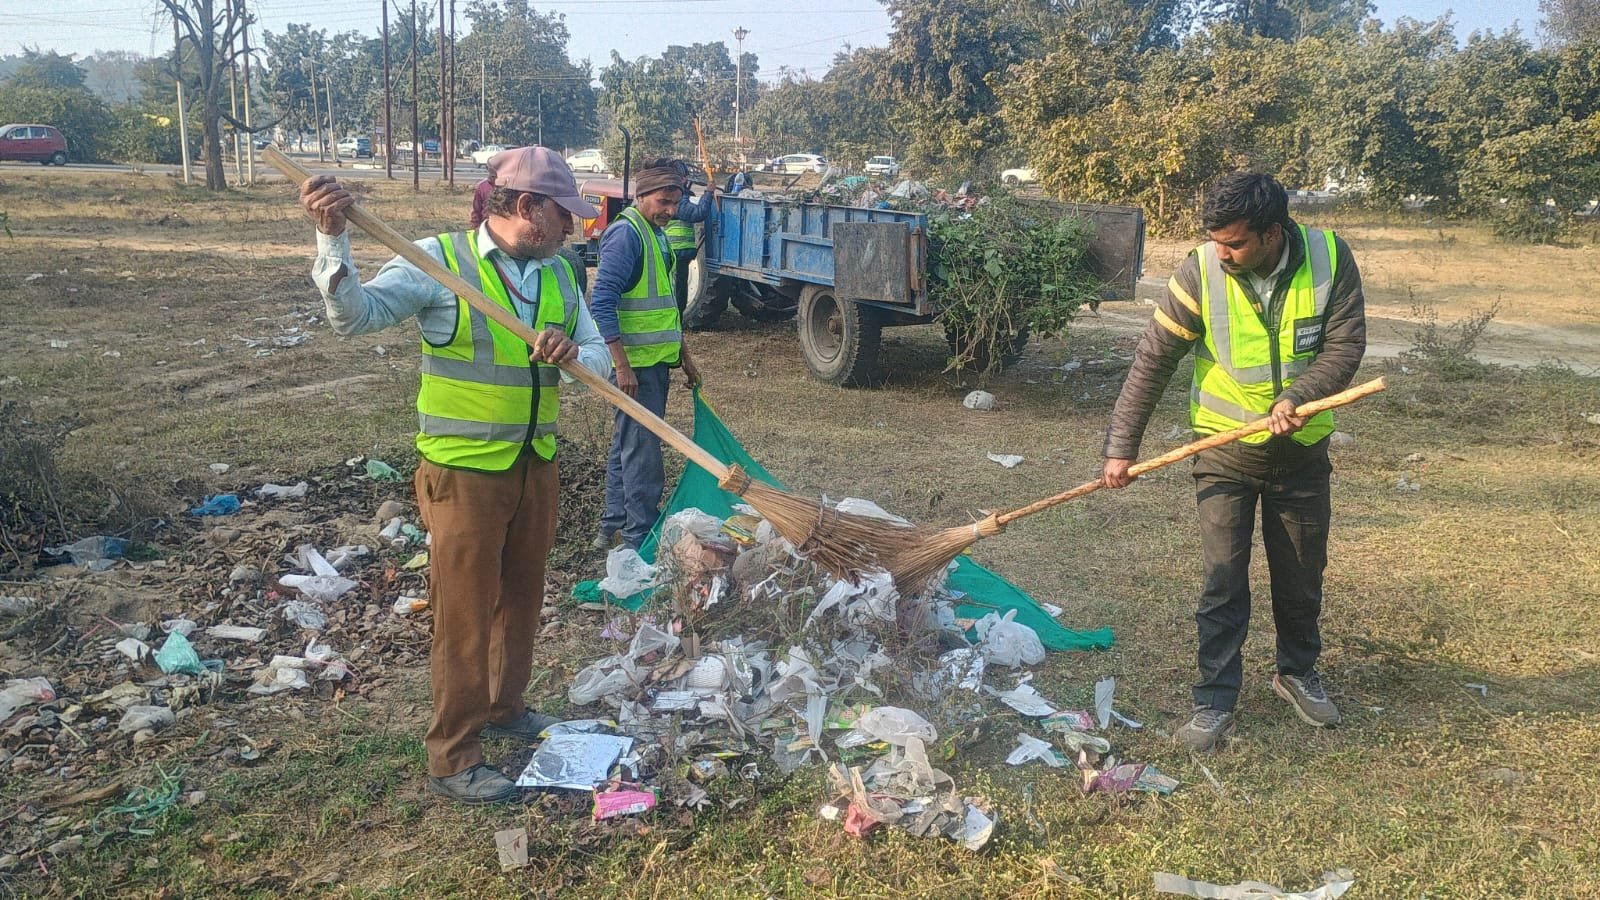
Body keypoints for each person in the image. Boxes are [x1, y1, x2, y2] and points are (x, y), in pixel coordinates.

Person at [297, 146, 612, 803]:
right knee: (464, 616)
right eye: (564, 214)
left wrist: (574, 355)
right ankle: (453, 756)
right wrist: (333, 238)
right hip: (463, 473)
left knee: (520, 601)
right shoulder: (437, 260)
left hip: (535, 464)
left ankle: (504, 709)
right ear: (528, 208)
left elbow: (599, 357)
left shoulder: (560, 272)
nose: (574, 227)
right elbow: (353, 317)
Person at [1101, 171, 1366, 752]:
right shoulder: (1199, 272)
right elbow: (1153, 360)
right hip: (1223, 451)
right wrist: (1122, 446)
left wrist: (1298, 396)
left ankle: (1297, 673)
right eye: (1216, 241)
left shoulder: (1330, 258)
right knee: (1223, 580)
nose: (1222, 254)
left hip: (1302, 454)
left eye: (1235, 243)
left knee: (1301, 577)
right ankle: (1215, 699)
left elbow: (1346, 345)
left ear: (1273, 233)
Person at [589, 158, 703, 551]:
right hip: (635, 367)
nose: (670, 211)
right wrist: (622, 366)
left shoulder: (656, 233)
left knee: (629, 443)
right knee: (643, 452)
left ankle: (613, 525)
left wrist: (684, 355)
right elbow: (602, 301)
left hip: (654, 362)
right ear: (641, 196)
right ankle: (639, 537)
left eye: (675, 203)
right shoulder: (627, 235)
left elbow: (667, 304)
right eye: (663, 202)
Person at [661, 162, 717, 312]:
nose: (686, 180)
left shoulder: (665, 196)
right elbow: (698, 213)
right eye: (683, 177)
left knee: (672, 286)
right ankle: (677, 318)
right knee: (678, 290)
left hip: (673, 251)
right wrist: (708, 193)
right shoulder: (677, 200)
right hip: (677, 252)